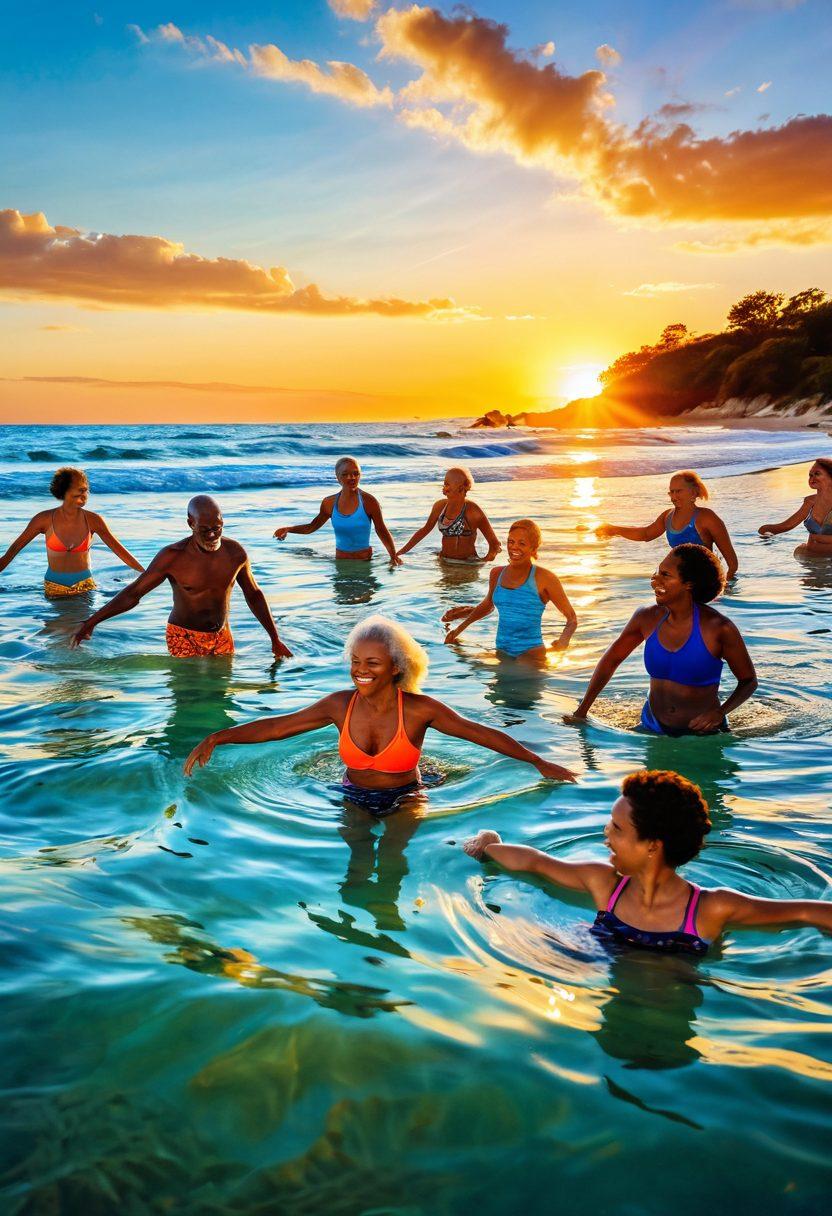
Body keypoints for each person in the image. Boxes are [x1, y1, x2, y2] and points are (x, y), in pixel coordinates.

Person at [184, 614, 577, 815]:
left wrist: (537, 761)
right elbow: (280, 727)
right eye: (356, 662)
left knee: (393, 860)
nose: (361, 671)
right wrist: (218, 737)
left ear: (395, 667)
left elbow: (478, 733)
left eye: (372, 663)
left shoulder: (420, 710)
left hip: (406, 796)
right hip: (352, 792)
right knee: (354, 870)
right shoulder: (339, 705)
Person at [464, 769, 832, 955]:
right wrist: (489, 843)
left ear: (653, 845)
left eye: (617, 828)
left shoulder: (710, 909)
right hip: (604, 980)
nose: (606, 835)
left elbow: (809, 912)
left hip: (670, 1011)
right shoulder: (605, 884)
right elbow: (536, 863)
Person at [71, 495, 291, 659]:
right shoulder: (172, 557)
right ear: (190, 523)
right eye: (205, 529)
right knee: (188, 697)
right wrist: (91, 622)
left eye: (217, 528)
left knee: (222, 696)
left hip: (222, 635)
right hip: (183, 636)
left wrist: (275, 638)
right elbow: (134, 593)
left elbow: (254, 595)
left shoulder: (235, 554)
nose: (212, 535)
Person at [568, 544, 756, 735]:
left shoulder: (719, 628)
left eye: (665, 575)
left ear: (689, 584)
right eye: (657, 572)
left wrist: (720, 713)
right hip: (651, 725)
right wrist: (582, 711)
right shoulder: (646, 618)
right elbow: (611, 660)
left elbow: (748, 680)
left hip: (703, 733)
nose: (654, 581)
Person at [441, 519, 578, 661]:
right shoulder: (497, 573)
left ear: (533, 548)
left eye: (522, 543)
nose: (514, 547)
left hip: (531, 656)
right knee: (467, 664)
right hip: (502, 652)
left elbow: (572, 618)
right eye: (511, 542)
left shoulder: (545, 578)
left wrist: (563, 641)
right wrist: (458, 630)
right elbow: (488, 605)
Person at [0, 466, 143, 597]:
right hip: (53, 589)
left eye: (86, 490)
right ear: (64, 490)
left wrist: (146, 575)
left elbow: (121, 552)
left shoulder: (93, 520)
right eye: (80, 489)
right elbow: (13, 551)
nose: (85, 493)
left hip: (85, 588)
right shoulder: (43, 519)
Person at [596, 470, 738, 580]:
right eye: (671, 491)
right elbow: (646, 534)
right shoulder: (667, 516)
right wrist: (614, 529)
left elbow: (732, 564)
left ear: (693, 492)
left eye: (679, 491)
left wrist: (723, 587)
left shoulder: (707, 517)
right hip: (681, 581)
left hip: (705, 580)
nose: (674, 496)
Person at [273, 457, 401, 563]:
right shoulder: (329, 503)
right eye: (345, 474)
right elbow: (311, 527)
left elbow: (382, 530)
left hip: (364, 562)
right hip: (340, 563)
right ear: (337, 477)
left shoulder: (369, 501)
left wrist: (393, 556)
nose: (352, 477)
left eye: (356, 473)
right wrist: (288, 529)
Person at [396, 467, 501, 563]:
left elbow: (495, 544)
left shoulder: (473, 510)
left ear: (460, 488)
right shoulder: (439, 506)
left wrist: (482, 563)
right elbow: (424, 531)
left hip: (467, 565)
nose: (443, 488)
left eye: (447, 484)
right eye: (444, 484)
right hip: (444, 562)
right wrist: (401, 552)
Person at [758, 457, 832, 556]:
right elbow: (786, 526)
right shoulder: (810, 502)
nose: (812, 478)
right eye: (810, 475)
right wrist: (765, 530)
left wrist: (816, 538)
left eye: (817, 474)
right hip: (812, 557)